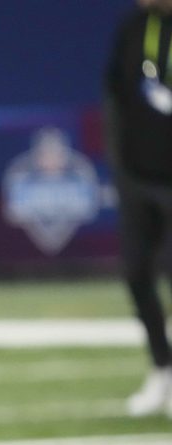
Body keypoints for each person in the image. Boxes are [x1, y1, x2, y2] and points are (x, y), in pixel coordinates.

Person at [105, 0, 172, 418]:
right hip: (138, 176)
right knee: (135, 272)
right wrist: (119, 166)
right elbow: (113, 96)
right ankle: (161, 366)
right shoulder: (134, 28)